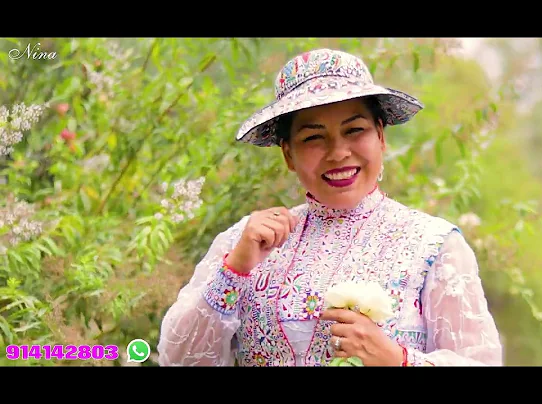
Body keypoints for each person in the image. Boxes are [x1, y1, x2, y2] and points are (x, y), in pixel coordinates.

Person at [157, 48, 503, 366]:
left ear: (380, 137)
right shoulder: (245, 243)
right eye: (313, 137)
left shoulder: (433, 245)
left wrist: (399, 359)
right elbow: (177, 359)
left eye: (354, 131)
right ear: (288, 153)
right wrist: (236, 269)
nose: (338, 152)